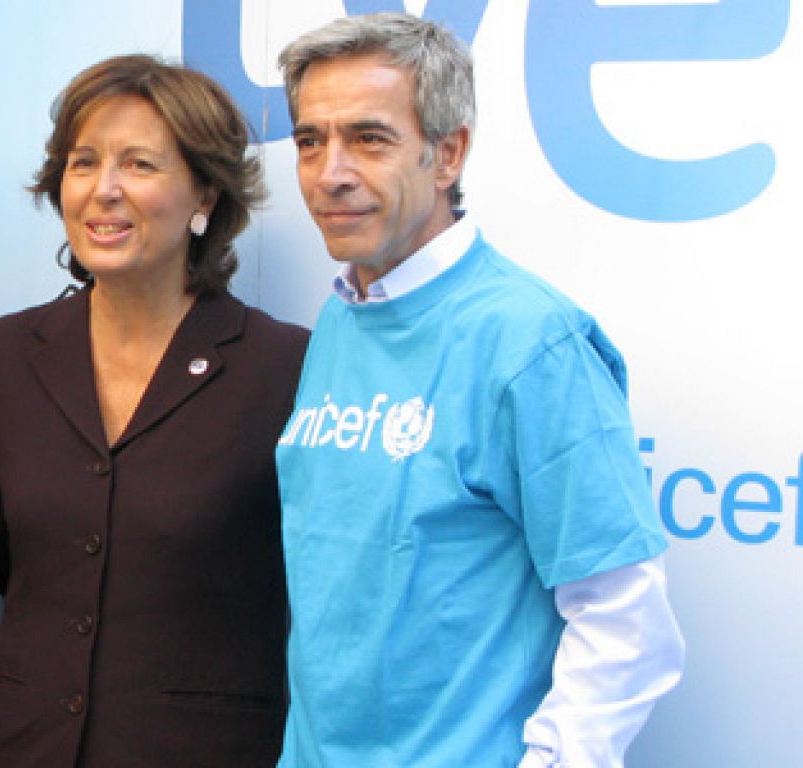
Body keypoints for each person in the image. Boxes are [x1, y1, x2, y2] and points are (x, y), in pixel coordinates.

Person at [274, 13, 684, 767]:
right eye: (309, 140)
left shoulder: (531, 340)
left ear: (448, 152)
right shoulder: (341, 317)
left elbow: (625, 621)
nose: (329, 171)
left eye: (369, 138)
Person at [0, 54, 309, 765]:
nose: (103, 191)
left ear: (206, 195)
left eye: (140, 165)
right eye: (83, 164)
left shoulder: (285, 368)